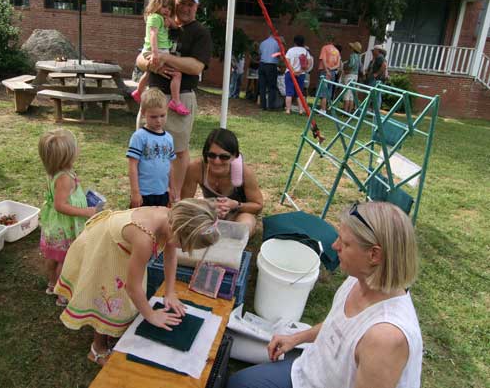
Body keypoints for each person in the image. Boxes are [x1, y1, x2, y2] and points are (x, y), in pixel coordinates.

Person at [227, 201, 423, 388]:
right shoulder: (359, 279)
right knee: (237, 383)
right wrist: (295, 338)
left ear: (374, 255)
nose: (335, 246)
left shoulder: (385, 337)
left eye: (345, 244)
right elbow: (338, 325)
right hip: (310, 372)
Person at [54, 199, 219, 366]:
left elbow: (170, 256)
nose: (183, 249)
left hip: (121, 249)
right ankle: (98, 348)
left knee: (119, 297)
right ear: (177, 230)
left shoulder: (171, 219)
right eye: (184, 244)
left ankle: (110, 330)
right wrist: (151, 315)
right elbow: (132, 288)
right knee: (108, 297)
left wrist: (170, 291)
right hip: (105, 251)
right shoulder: (144, 239)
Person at [136, 0, 212, 202]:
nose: (186, 8)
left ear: (197, 6)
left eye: (191, 4)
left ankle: (173, 198)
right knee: (146, 146)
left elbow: (197, 66)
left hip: (181, 98)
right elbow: (140, 58)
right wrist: (149, 63)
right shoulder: (158, 22)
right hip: (153, 94)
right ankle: (145, 195)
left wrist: (165, 57)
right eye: (182, 2)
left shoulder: (200, 33)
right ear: (174, 2)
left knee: (178, 150)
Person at [38, 129, 97, 307]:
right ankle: (63, 294)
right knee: (65, 259)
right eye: (75, 149)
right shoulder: (64, 178)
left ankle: (52, 284)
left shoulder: (55, 172)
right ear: (67, 156)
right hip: (65, 227)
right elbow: (60, 205)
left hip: (53, 224)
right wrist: (86, 212)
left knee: (52, 256)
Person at [181, 128, 263, 237]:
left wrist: (235, 205)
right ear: (205, 154)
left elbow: (258, 206)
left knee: (244, 227)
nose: (217, 161)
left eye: (224, 157)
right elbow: (185, 203)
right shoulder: (196, 168)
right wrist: (208, 206)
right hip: (211, 211)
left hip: (239, 212)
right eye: (212, 155)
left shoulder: (245, 172)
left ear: (235, 156)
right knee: (187, 223)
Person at [132, 0, 188, 116]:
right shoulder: (155, 17)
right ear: (155, 4)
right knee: (177, 75)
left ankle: (138, 92)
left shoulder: (160, 18)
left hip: (156, 51)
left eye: (169, 8)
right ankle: (176, 101)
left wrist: (170, 22)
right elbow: (153, 35)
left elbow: (175, 26)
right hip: (155, 51)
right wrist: (156, 54)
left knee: (149, 73)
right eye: (164, 6)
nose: (167, 10)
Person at [127, 88, 175, 208]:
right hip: (143, 194)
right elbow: (132, 165)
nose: (158, 120)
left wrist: (172, 188)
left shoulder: (169, 138)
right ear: (143, 113)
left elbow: (170, 166)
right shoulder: (139, 136)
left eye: (162, 115)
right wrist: (135, 192)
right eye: (153, 117)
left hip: (162, 192)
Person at [284, 35, 313, 115]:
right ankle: (301, 110)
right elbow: (310, 62)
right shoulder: (305, 51)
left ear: (294, 42)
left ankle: (288, 110)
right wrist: (302, 70)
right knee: (299, 93)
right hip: (301, 74)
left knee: (289, 92)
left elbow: (287, 61)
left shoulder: (290, 50)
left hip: (290, 73)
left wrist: (293, 71)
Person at [317, 35, 341, 112]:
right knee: (329, 90)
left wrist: (327, 70)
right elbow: (338, 65)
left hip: (325, 71)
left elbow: (323, 59)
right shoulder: (337, 51)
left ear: (327, 40)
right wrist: (331, 69)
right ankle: (326, 108)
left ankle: (323, 109)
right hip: (333, 72)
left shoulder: (325, 48)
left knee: (323, 90)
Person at [258, 32, 280, 110]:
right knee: (272, 86)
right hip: (271, 65)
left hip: (262, 64)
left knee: (262, 86)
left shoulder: (263, 43)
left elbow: (260, 53)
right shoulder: (277, 43)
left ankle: (263, 105)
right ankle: (271, 106)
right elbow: (280, 54)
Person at [342, 41, 363, 113]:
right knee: (351, 94)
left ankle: (345, 111)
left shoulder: (352, 55)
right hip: (355, 76)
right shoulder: (359, 57)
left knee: (346, 92)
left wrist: (346, 67)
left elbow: (351, 64)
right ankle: (349, 111)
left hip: (350, 75)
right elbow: (360, 67)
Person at [366, 44, 388, 110]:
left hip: (376, 79)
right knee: (376, 95)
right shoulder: (378, 57)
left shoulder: (380, 57)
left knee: (374, 95)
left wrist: (377, 74)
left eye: (374, 50)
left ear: (377, 50)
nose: (373, 52)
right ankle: (374, 110)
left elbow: (384, 66)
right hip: (377, 79)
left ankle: (374, 111)